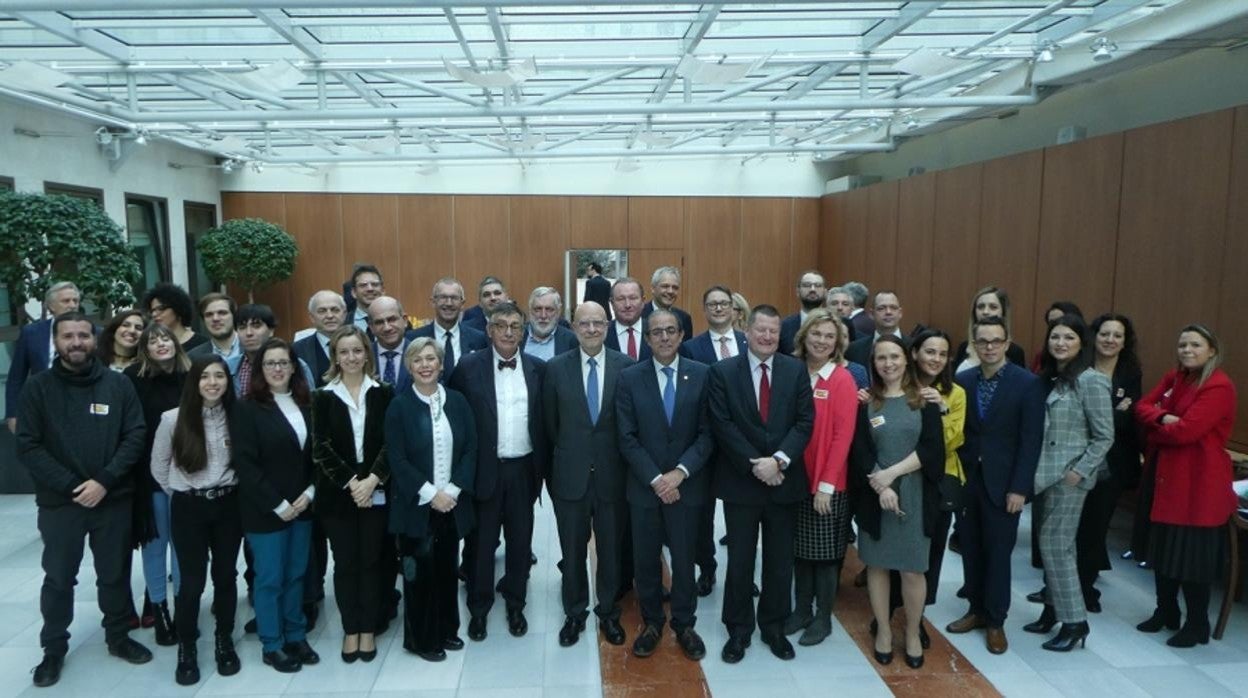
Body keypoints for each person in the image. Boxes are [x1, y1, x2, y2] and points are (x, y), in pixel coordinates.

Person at [17, 311, 151, 688]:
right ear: (56, 342)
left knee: (114, 575)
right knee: (59, 578)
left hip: (112, 499)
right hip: (61, 505)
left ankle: (118, 637)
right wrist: (75, 486)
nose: (76, 343)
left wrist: (104, 482)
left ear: (94, 339)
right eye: (67, 337)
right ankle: (53, 649)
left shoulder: (117, 385)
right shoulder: (37, 388)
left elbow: (135, 435)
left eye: (82, 336)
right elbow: (27, 445)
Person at [708, 305, 814, 663]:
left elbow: (804, 422)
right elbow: (722, 424)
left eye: (773, 332)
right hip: (742, 483)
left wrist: (779, 461)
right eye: (761, 331)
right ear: (746, 332)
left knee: (779, 561)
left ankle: (773, 626)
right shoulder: (723, 372)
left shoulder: (795, 370)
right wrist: (757, 465)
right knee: (739, 560)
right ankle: (738, 630)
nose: (767, 338)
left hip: (784, 481)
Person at [616, 309, 713, 660]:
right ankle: (652, 622)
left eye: (671, 330)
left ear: (682, 335)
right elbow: (626, 437)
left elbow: (707, 433)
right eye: (656, 332)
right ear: (646, 338)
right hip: (645, 488)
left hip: (687, 486)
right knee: (645, 560)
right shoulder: (630, 378)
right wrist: (657, 479)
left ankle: (685, 624)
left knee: (685, 560)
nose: (664, 337)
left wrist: (680, 473)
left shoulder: (702, 375)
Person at [448, 301, 548, 641]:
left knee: (520, 543)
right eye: (501, 325)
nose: (508, 332)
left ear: (523, 331)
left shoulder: (537, 369)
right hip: (483, 472)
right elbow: (457, 422)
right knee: (481, 545)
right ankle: (479, 609)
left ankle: (515, 603)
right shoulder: (467, 367)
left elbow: (544, 423)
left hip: (524, 471)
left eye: (515, 326)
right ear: (489, 330)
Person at [945, 317, 1044, 655]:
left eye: (996, 340)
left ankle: (996, 620)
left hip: (1005, 486)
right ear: (973, 344)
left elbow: (1031, 442)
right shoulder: (962, 380)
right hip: (967, 480)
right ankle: (975, 610)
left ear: (1007, 342)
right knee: (970, 548)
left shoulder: (1027, 383)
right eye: (982, 341)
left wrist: (1020, 488)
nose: (989, 346)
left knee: (999, 554)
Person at [1134, 324, 1237, 648]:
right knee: (1162, 549)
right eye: (1182, 344)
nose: (1187, 350)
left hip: (1197, 487)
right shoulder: (1174, 377)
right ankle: (1166, 611)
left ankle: (1197, 624)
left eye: (1195, 344)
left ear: (1212, 351)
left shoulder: (1219, 386)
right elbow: (1141, 407)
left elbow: (1188, 432)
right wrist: (1163, 419)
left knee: (1192, 558)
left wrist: (1156, 427)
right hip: (1166, 478)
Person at [850, 336, 944, 669]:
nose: (888, 363)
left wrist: (891, 474)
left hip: (916, 496)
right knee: (877, 565)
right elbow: (860, 451)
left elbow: (933, 450)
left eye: (895, 357)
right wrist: (881, 484)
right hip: (875, 495)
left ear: (907, 359)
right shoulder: (867, 402)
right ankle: (885, 632)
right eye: (881, 358)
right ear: (873, 364)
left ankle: (914, 632)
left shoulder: (925, 399)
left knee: (912, 570)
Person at [150, 355, 244, 685]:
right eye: (205, 376)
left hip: (228, 505)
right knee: (191, 582)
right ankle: (187, 648)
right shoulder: (172, 419)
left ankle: (224, 640)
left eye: (220, 376)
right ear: (194, 382)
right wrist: (183, 492)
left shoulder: (238, 416)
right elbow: (159, 467)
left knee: (226, 575)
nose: (213, 382)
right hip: (188, 507)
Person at [543, 300, 631, 647]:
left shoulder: (627, 367)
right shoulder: (555, 369)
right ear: (574, 327)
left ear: (607, 327)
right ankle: (574, 613)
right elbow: (551, 426)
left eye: (598, 323)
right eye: (585, 324)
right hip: (571, 476)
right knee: (573, 550)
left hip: (613, 477)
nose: (592, 329)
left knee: (610, 551)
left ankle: (607, 612)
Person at [1023, 315, 1113, 651]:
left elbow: (1105, 436)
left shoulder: (1091, 380)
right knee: (1055, 548)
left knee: (1056, 547)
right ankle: (1052, 613)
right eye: (1055, 337)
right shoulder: (1053, 378)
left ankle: (1075, 622)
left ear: (1081, 344)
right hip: (1045, 475)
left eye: (1069, 338)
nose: (1061, 343)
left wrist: (1081, 470)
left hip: (1070, 478)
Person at [231, 338, 319, 673]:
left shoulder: (308, 404)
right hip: (265, 510)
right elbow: (245, 464)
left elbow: (316, 457)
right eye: (270, 363)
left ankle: (295, 634)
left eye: (283, 362)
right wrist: (277, 504)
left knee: (297, 574)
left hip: (303, 505)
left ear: (294, 366)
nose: (278, 369)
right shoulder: (246, 407)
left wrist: (311, 493)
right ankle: (272, 643)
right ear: (259, 369)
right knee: (270, 578)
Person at [387, 337, 478, 661]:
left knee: (445, 570)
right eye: (417, 360)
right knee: (417, 576)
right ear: (409, 367)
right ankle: (422, 640)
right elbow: (396, 459)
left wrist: (452, 491)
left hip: (450, 505)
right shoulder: (398, 406)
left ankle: (447, 630)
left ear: (441, 365)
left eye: (431, 359)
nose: (425, 365)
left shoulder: (456, 401)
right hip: (417, 507)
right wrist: (430, 494)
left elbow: (470, 449)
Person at [311, 326, 395, 664]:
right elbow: (321, 448)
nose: (351, 358)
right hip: (338, 493)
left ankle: (369, 627)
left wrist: (372, 479)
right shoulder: (322, 396)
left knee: (373, 561)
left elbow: (392, 441)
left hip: (377, 488)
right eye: (343, 352)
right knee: (346, 563)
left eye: (357, 351)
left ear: (367, 354)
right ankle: (351, 628)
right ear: (335, 357)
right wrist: (353, 483)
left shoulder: (384, 392)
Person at [782, 310, 856, 647]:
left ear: (837, 342)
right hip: (794, 480)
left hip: (828, 484)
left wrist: (826, 485)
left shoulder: (841, 379)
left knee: (825, 556)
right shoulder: (792, 371)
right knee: (800, 551)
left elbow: (843, 437)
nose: (822, 341)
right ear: (804, 336)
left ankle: (823, 617)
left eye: (829, 336)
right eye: (816, 334)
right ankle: (800, 610)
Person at [124, 323, 192, 648]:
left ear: (175, 343)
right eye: (153, 341)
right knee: (155, 545)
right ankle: (159, 609)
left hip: (188, 476)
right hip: (149, 477)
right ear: (145, 349)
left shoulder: (191, 374)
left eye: (165, 337)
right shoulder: (133, 379)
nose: (161, 344)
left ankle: (181, 609)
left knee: (182, 545)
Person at [679, 284, 747, 589]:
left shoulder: (749, 343)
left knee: (740, 516)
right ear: (704, 311)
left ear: (734, 309)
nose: (719, 309)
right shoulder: (692, 348)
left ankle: (742, 573)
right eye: (712, 305)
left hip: (743, 444)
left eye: (724, 303)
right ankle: (706, 568)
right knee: (703, 515)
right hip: (706, 442)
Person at [1073, 314, 1143, 609]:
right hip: (1076, 460)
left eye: (1117, 335)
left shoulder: (1130, 372)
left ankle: (1086, 588)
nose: (1110, 340)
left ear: (1125, 342)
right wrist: (1114, 411)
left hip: (1112, 465)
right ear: (1094, 336)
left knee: (1095, 526)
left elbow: (1128, 419)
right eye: (1105, 334)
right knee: (1071, 527)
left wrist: (1107, 416)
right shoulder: (1079, 366)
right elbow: (1076, 415)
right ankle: (1060, 587)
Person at [6, 281, 81, 434]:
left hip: (81, 407)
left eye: (75, 301)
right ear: (51, 306)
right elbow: (16, 378)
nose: (72, 305)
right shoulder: (31, 333)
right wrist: (12, 414)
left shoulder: (93, 332)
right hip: (42, 409)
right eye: (66, 301)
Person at [225, 304, 315, 395]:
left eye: (256, 326)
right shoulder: (229, 367)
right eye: (242, 327)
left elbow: (308, 403)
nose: (249, 333)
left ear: (271, 330)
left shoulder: (295, 365)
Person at [412, 278, 489, 377]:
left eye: (454, 298)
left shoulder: (479, 339)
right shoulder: (414, 338)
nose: (449, 303)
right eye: (443, 297)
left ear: (462, 304)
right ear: (433, 302)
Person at [951, 286, 1027, 371]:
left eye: (993, 307)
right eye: (981, 307)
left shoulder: (1015, 352)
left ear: (1003, 313)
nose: (985, 312)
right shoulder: (964, 347)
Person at [293, 290, 346, 388]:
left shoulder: (359, 344)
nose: (329, 316)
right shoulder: (297, 350)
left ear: (344, 314)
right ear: (312, 317)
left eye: (335, 310)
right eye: (322, 311)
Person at [844, 290, 905, 367]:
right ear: (872, 314)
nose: (888, 312)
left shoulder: (912, 346)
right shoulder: (854, 349)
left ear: (900, 313)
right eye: (881, 308)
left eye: (893, 307)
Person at [142, 283, 208, 351]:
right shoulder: (152, 347)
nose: (154, 314)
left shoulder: (203, 344)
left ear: (177, 309)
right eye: (152, 310)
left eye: (161, 308)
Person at [521, 286, 578, 361]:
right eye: (538, 309)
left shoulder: (571, 340)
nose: (543, 315)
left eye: (549, 309)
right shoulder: (518, 336)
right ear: (530, 310)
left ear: (558, 312)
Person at [779, 271, 827, 355]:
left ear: (825, 292)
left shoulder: (838, 325)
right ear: (797, 291)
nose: (812, 289)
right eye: (807, 285)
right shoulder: (784, 326)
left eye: (818, 286)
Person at [1029, 301, 1084, 373]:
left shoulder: (1091, 377)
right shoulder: (1042, 356)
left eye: (1062, 319)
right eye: (1052, 322)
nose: (1060, 343)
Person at [642, 266, 694, 339]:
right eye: (665, 286)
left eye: (675, 288)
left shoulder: (684, 318)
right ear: (653, 288)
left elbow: (684, 349)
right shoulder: (639, 315)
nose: (670, 291)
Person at [606, 277, 649, 362]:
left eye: (633, 298)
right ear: (612, 303)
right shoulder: (603, 334)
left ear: (643, 301)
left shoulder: (656, 332)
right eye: (621, 299)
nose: (627, 305)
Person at [188, 292, 242, 360]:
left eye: (222, 313)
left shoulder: (254, 348)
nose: (215, 318)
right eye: (209, 314)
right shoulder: (193, 357)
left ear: (234, 316)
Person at [349, 264, 385, 332]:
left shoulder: (397, 320)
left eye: (375, 284)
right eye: (363, 285)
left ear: (383, 290)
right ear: (354, 292)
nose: (370, 289)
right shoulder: (343, 322)